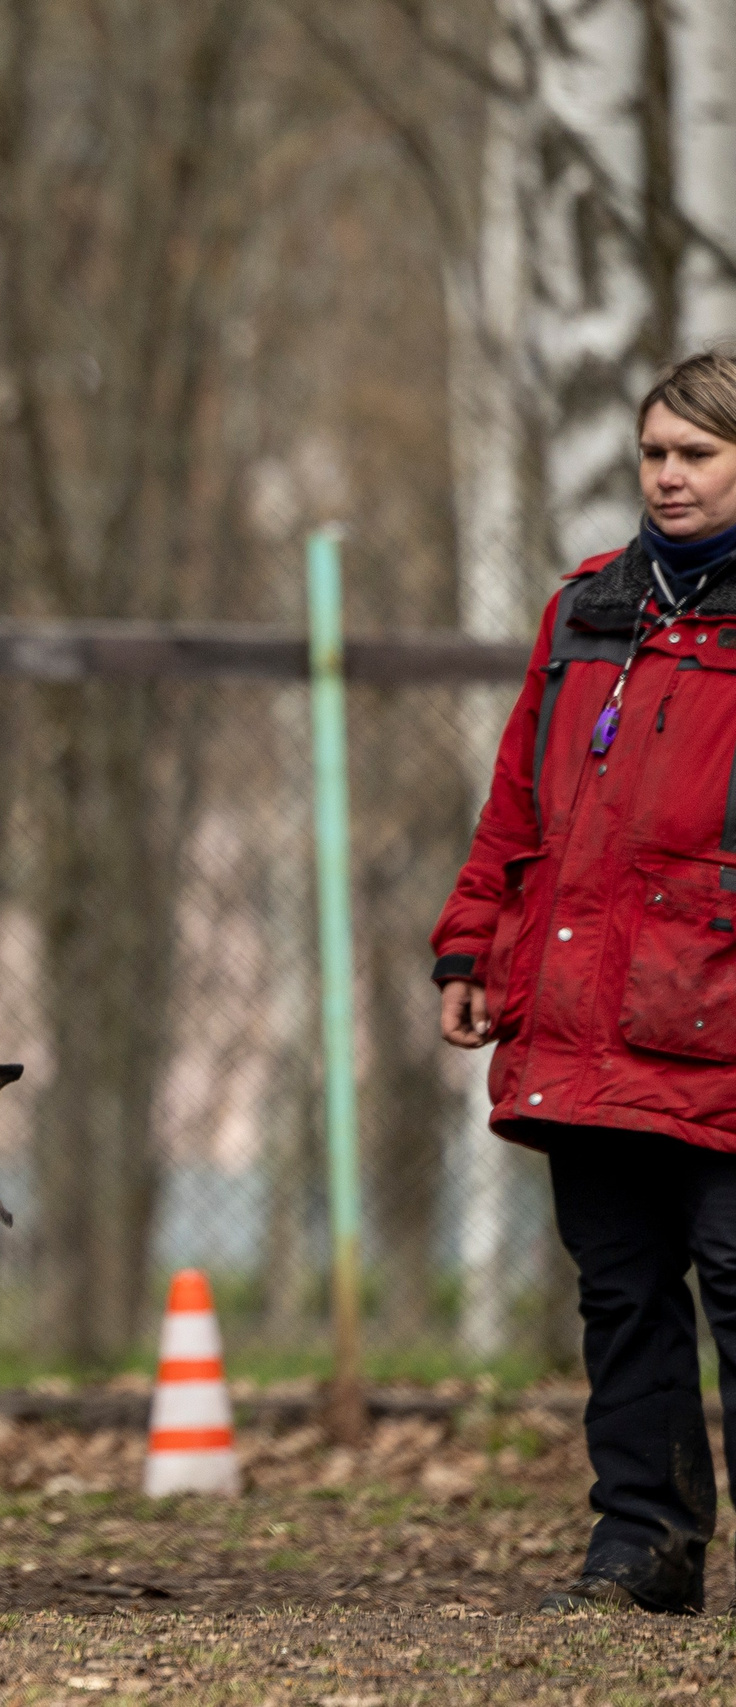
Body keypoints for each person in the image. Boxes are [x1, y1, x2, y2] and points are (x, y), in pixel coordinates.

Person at [433, 346, 736, 1615]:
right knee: (618, 1291)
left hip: (715, 1010)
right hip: (582, 1007)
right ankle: (642, 1544)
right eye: (653, 455)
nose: (666, 479)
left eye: (696, 457)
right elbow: (517, 801)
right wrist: (467, 943)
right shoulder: (584, 615)